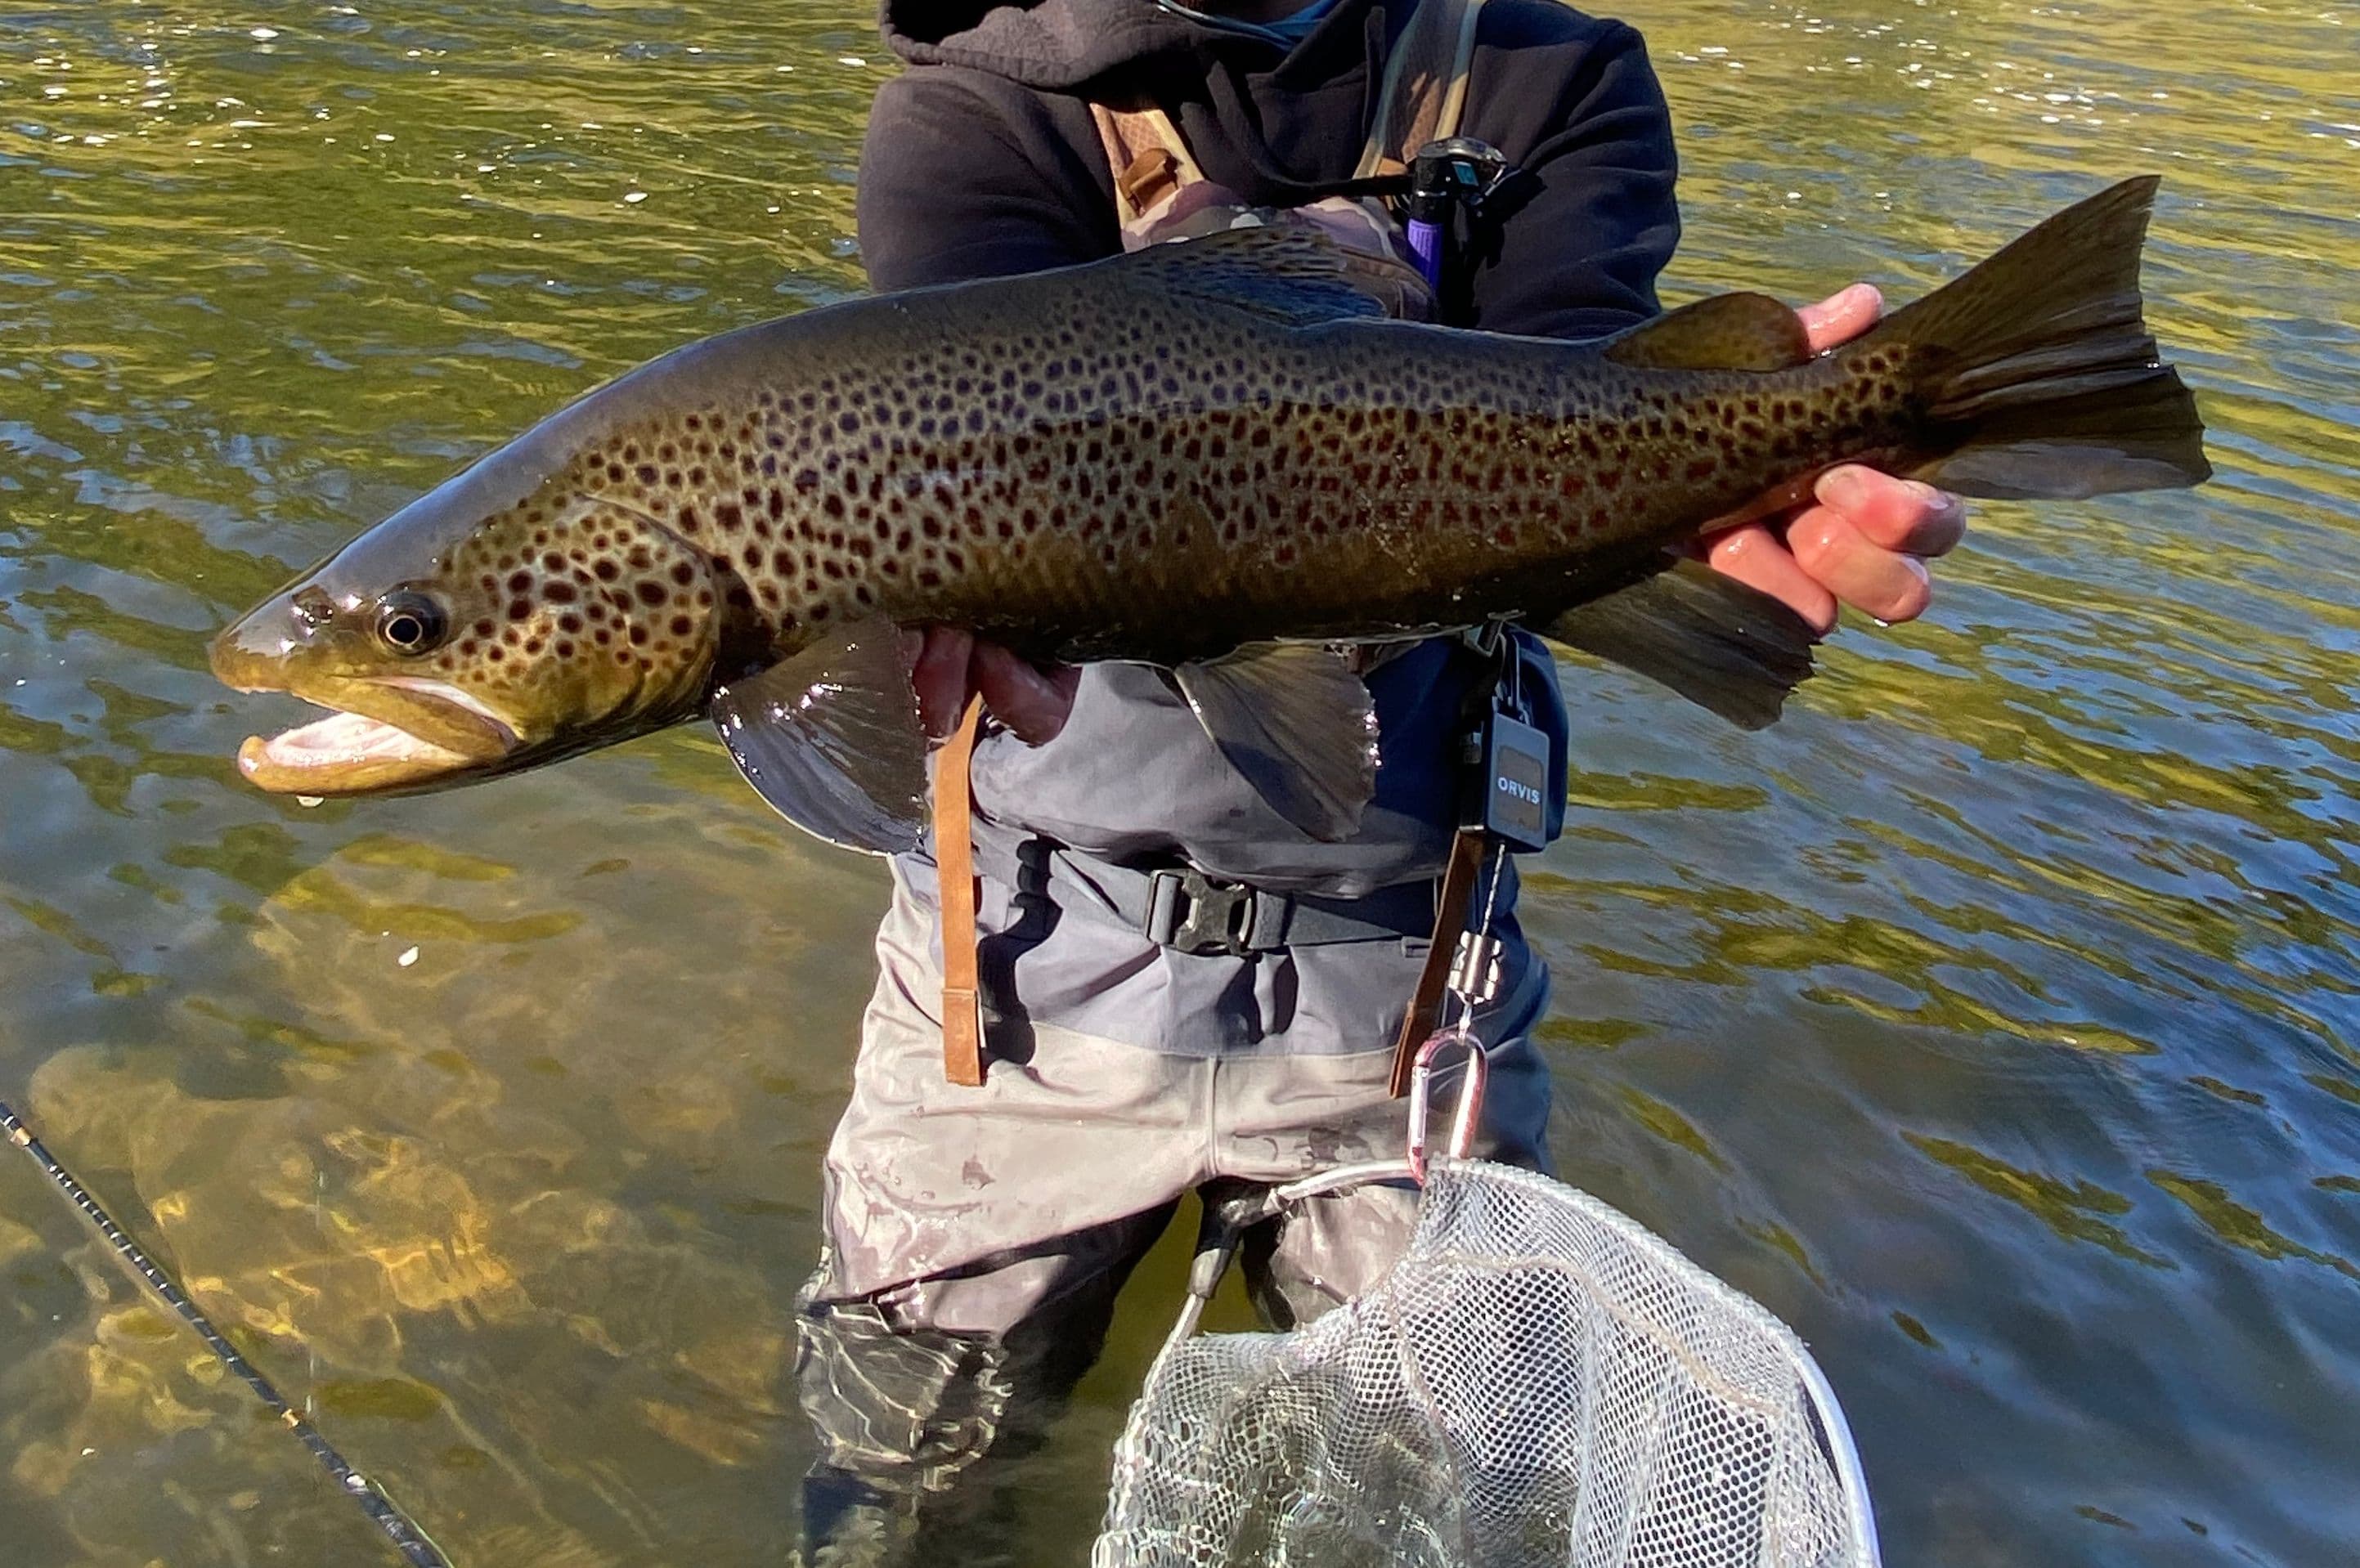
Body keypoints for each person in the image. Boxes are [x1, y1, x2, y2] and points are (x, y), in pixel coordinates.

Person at [792, 0, 1967, 1557]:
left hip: (1411, 980)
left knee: (1437, 1501)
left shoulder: (1552, 78)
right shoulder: (974, 109)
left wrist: (1747, 457)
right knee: (901, 1485)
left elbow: (1569, 416)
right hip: (1017, 973)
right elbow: (1005, 462)